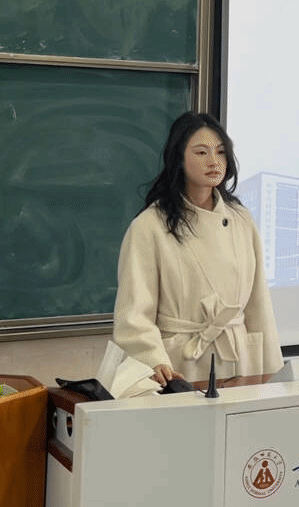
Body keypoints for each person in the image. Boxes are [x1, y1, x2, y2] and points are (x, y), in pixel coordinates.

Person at [112, 111, 283, 387]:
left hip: (240, 361)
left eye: (221, 152)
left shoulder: (242, 221)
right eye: (202, 152)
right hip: (180, 366)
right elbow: (134, 313)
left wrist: (270, 368)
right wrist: (154, 360)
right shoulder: (149, 227)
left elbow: (259, 303)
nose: (214, 161)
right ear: (179, 158)